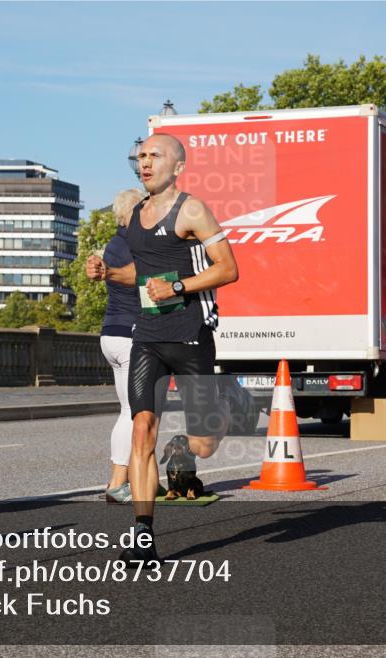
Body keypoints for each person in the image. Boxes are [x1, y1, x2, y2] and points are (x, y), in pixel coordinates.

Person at [86, 134, 239, 564]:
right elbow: (139, 272)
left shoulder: (191, 209)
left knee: (205, 444)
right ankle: (142, 534)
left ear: (178, 166)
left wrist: (177, 286)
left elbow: (228, 269)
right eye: (142, 156)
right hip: (147, 335)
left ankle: (226, 407)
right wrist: (106, 271)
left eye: (155, 155)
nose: (145, 161)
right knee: (141, 429)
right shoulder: (136, 215)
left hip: (191, 333)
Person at [99, 189, 144, 504]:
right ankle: (118, 483)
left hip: (109, 333)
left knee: (128, 410)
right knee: (133, 412)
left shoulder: (112, 244)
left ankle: (138, 478)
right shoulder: (135, 243)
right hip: (131, 334)